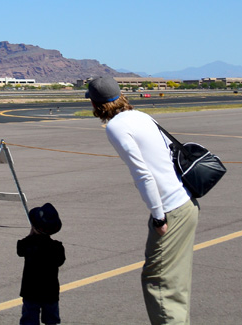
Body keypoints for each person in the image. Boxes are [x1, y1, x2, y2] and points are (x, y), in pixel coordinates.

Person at [87, 75, 198, 325]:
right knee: (175, 281)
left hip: (170, 209)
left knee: (159, 282)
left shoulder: (116, 127)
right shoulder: (142, 116)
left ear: (95, 104)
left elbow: (142, 174)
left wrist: (158, 216)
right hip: (187, 202)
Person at [17, 203, 65, 325]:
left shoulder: (28, 244)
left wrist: (30, 236)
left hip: (31, 291)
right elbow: (60, 261)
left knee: (29, 319)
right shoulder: (57, 247)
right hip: (50, 292)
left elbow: (20, 250)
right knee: (51, 320)